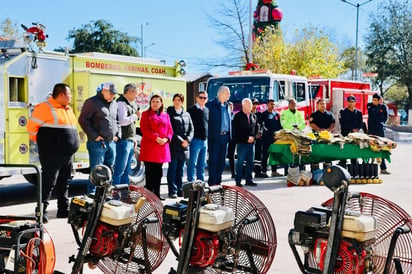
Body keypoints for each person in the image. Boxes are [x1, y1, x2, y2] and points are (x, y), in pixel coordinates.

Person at [27, 83, 79, 223]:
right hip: (52, 154)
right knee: (49, 183)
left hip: (67, 154)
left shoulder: (67, 109)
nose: (71, 97)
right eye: (69, 94)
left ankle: (63, 210)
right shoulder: (45, 108)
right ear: (61, 95)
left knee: (64, 183)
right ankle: (41, 211)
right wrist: (46, 143)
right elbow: (31, 128)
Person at [78, 82, 120, 193]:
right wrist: (94, 136)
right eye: (111, 93)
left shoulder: (114, 103)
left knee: (109, 171)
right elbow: (83, 120)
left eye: (114, 94)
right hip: (98, 144)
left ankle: (105, 196)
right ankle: (92, 195)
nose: (113, 96)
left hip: (111, 143)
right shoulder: (92, 102)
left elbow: (117, 120)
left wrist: (117, 135)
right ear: (104, 91)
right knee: (97, 171)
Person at [139, 94, 173, 200]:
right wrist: (156, 137)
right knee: (149, 173)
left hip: (161, 148)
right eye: (153, 101)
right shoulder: (146, 114)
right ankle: (149, 195)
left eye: (157, 101)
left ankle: (157, 194)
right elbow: (145, 129)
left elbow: (170, 130)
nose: (155, 103)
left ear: (161, 103)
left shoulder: (166, 115)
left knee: (158, 173)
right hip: (150, 147)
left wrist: (167, 139)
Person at [112, 83, 140, 186]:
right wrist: (135, 116)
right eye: (135, 93)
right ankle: (115, 194)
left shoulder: (129, 103)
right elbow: (123, 121)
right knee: (120, 168)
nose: (136, 95)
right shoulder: (121, 103)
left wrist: (134, 139)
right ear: (129, 92)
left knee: (127, 169)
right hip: (123, 140)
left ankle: (123, 194)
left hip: (129, 140)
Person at [167, 93, 194, 198]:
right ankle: (172, 190)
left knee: (180, 170)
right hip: (174, 146)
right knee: (172, 169)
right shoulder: (169, 113)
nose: (177, 102)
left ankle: (179, 189)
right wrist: (181, 140)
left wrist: (188, 140)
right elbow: (170, 130)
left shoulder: (186, 114)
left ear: (182, 102)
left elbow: (192, 129)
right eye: (175, 100)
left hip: (184, 148)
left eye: (179, 100)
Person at [206, 86, 231, 186]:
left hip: (225, 138)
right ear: (221, 93)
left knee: (222, 162)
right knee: (213, 161)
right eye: (227, 93)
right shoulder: (210, 105)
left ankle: (218, 182)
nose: (229, 95)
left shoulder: (227, 106)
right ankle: (212, 183)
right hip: (214, 137)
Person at [232, 98, 258, 187]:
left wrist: (254, 137)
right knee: (240, 162)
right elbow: (236, 131)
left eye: (250, 105)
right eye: (248, 105)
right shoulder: (238, 116)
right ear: (243, 105)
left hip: (251, 144)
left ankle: (249, 180)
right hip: (242, 143)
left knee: (250, 162)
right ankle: (238, 181)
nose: (250, 106)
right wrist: (246, 138)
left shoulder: (253, 116)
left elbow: (257, 129)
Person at [187, 91, 209, 182]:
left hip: (205, 141)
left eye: (205, 98)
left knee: (202, 164)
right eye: (201, 97)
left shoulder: (207, 110)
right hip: (195, 140)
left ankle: (201, 183)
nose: (203, 99)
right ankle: (191, 183)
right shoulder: (191, 110)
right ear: (196, 98)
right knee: (192, 163)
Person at [309, 98, 335, 171]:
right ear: (317, 105)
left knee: (327, 153)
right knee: (316, 153)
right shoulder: (314, 114)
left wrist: (328, 130)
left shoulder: (330, 114)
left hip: (327, 137)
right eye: (321, 104)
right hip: (316, 136)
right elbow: (312, 124)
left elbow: (333, 123)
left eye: (324, 104)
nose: (323, 105)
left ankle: (327, 169)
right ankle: (315, 170)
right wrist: (320, 130)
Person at [367, 93, 390, 174]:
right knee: (371, 148)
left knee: (381, 148)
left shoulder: (384, 107)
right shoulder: (369, 106)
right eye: (373, 100)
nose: (374, 102)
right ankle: (369, 168)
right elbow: (373, 113)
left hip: (380, 130)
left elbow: (386, 117)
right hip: (371, 130)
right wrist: (379, 105)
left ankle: (383, 168)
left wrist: (381, 124)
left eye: (375, 100)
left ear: (379, 100)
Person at [338, 95, 363, 167]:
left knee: (354, 150)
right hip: (345, 134)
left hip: (355, 135)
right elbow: (342, 123)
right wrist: (352, 129)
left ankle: (354, 164)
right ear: (347, 102)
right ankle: (343, 163)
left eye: (352, 102)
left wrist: (357, 129)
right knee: (344, 150)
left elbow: (361, 123)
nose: (350, 103)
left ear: (355, 103)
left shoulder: (358, 112)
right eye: (349, 102)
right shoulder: (343, 111)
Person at [261, 99, 283, 177]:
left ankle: (274, 171)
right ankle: (263, 171)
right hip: (267, 138)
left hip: (275, 138)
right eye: (271, 104)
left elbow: (279, 125)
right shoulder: (264, 114)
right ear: (267, 105)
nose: (272, 105)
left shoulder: (276, 114)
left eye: (273, 104)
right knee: (265, 155)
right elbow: (261, 125)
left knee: (274, 155)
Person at [252, 98, 265, 177]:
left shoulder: (259, 114)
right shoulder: (248, 114)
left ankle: (258, 172)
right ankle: (245, 173)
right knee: (248, 156)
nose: (255, 105)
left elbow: (262, 125)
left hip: (258, 138)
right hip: (250, 138)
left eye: (256, 104)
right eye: (253, 103)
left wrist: (260, 132)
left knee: (258, 155)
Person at [227, 101, 236, 178]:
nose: (231, 108)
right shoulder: (225, 116)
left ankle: (233, 173)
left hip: (233, 139)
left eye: (232, 106)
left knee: (231, 156)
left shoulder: (235, 116)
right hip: (224, 138)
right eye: (229, 106)